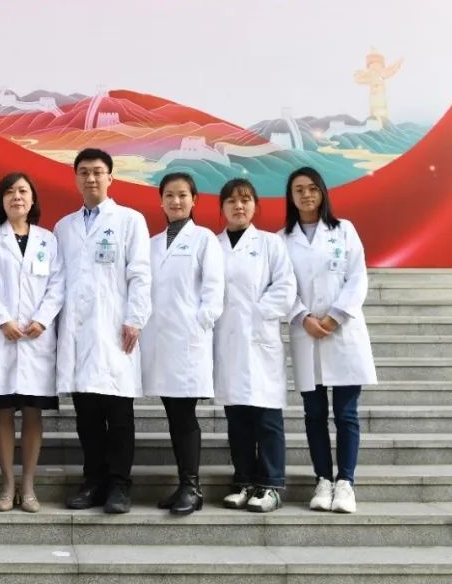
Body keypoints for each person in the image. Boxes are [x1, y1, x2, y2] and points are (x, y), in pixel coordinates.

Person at [55, 148, 152, 514]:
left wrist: (135, 318)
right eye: (84, 172)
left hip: (115, 329)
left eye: (97, 171)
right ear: (76, 178)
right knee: (87, 415)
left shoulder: (129, 220)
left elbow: (140, 274)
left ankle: (119, 486)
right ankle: (93, 481)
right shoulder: (64, 227)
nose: (91, 178)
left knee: (119, 414)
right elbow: (58, 280)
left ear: (110, 177)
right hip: (78, 332)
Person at [282, 166, 377, 514]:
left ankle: (345, 482)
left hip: (343, 331)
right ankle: (323, 479)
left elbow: (358, 276)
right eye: (298, 190)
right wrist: (303, 317)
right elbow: (282, 284)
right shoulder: (281, 239)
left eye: (312, 188)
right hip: (305, 332)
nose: (306, 195)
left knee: (346, 414)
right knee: (314, 414)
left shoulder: (344, 230)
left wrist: (335, 316)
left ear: (322, 192)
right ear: (291, 197)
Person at [0, 172, 65, 513]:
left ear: (32, 199)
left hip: (36, 337)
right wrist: (3, 319)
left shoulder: (47, 240)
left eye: (23, 191)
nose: (17, 197)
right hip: (3, 335)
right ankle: (7, 484)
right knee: (2, 410)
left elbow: (58, 284)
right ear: (1, 200)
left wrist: (42, 318)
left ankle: (28, 486)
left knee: (32, 412)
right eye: (10, 192)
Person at [141, 172, 224, 515]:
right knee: (174, 414)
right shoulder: (151, 244)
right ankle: (185, 485)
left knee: (184, 415)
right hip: (160, 341)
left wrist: (200, 323)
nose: (176, 201)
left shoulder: (204, 239)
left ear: (194, 200)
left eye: (182, 195)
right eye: (169, 195)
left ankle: (192, 486)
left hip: (188, 340)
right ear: (161, 201)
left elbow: (214, 289)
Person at [213, 178, 296, 513]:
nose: (239, 206)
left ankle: (271, 484)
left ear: (255, 205)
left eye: (245, 199)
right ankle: (245, 480)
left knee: (267, 417)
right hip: (227, 340)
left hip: (260, 339)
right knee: (237, 418)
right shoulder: (213, 245)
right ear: (222, 207)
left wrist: (257, 313)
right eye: (232, 200)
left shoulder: (270, 244)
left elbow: (285, 286)